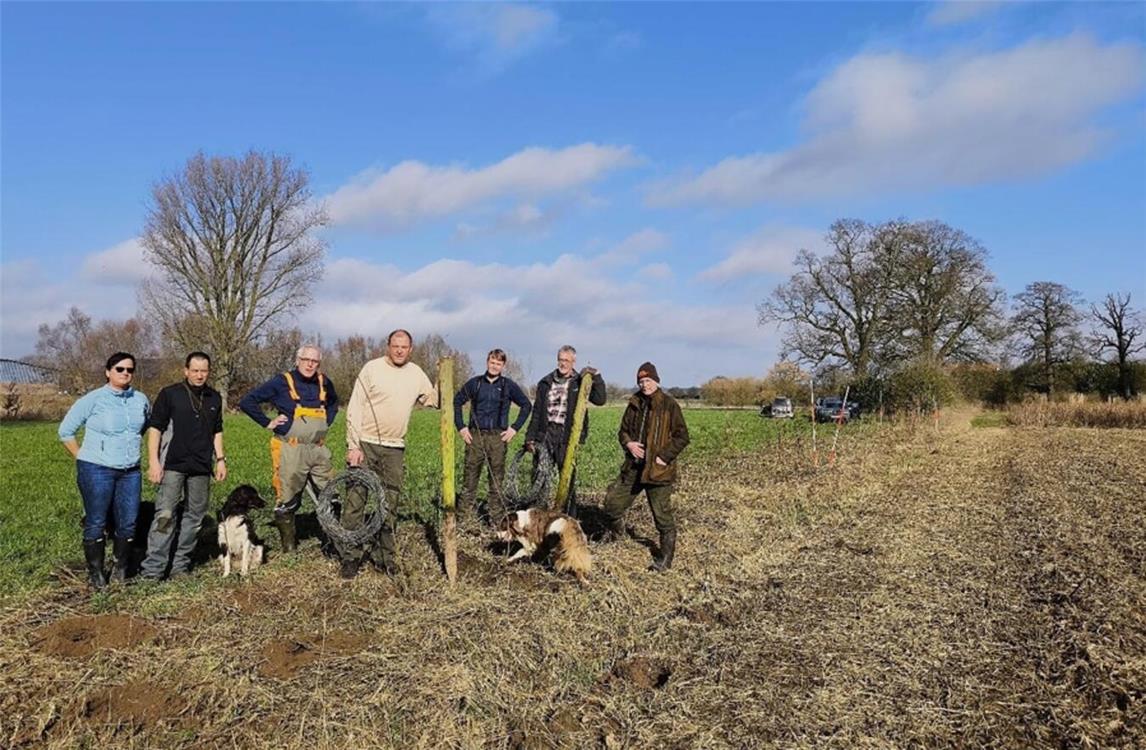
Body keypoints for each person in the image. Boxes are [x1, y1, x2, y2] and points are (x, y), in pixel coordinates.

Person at [341, 329, 438, 579]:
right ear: (388, 346)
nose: (399, 350)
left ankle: (387, 557)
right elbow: (354, 407)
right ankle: (351, 557)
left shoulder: (416, 373)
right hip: (365, 444)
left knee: (389, 504)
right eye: (395, 345)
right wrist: (353, 446)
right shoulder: (371, 369)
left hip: (395, 448)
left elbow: (433, 400)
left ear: (411, 349)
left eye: (404, 347)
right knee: (355, 502)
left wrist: (442, 376)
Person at [58, 352, 151, 589]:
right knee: (97, 520)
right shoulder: (93, 399)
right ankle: (96, 573)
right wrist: (83, 457)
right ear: (108, 371)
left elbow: (144, 426)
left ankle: (120, 568)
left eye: (130, 370)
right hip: (96, 469)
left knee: (128, 522)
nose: (125, 373)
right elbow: (66, 431)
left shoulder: (140, 399)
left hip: (130, 471)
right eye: (119, 369)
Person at [239, 344, 339, 553]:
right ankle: (289, 547)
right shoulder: (281, 381)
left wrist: (326, 422)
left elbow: (333, 403)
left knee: (330, 493)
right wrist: (267, 422)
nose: (310, 365)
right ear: (297, 360)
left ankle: (333, 541)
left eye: (315, 361)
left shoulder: (324, 382)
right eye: (306, 360)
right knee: (288, 496)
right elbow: (248, 401)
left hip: (319, 449)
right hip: (291, 450)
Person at [139, 352, 225, 580]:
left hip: (201, 466)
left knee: (194, 518)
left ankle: (180, 567)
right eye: (195, 370)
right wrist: (154, 462)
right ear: (185, 371)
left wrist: (220, 459)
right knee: (165, 516)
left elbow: (217, 431)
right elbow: (155, 429)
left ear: (209, 371)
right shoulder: (170, 394)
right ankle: (153, 570)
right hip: (172, 464)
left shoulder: (214, 398)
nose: (199, 375)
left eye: (204, 371)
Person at [600, 362, 690, 572]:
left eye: (648, 380)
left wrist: (664, 457)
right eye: (641, 381)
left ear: (656, 381)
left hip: (658, 471)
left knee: (662, 517)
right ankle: (617, 535)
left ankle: (665, 560)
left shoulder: (669, 405)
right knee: (612, 504)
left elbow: (682, 436)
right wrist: (629, 444)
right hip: (633, 467)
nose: (644, 385)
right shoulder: (634, 403)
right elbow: (623, 431)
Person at [453, 349, 532, 527]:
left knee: (496, 481)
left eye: (498, 363)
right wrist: (461, 427)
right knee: (469, 478)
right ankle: (463, 520)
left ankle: (496, 520)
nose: (494, 366)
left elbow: (526, 405)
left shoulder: (508, 385)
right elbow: (457, 401)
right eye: (492, 362)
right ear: (487, 362)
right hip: (475, 437)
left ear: (503, 365)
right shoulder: (475, 384)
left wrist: (514, 428)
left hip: (498, 438)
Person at [524, 345, 606, 514]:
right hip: (545, 434)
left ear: (573, 361)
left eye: (567, 360)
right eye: (560, 360)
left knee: (567, 479)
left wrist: (596, 376)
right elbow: (537, 412)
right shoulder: (545, 383)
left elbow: (600, 399)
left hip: (567, 436)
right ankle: (539, 518)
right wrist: (530, 437)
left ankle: (568, 518)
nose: (563, 364)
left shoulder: (581, 382)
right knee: (540, 478)